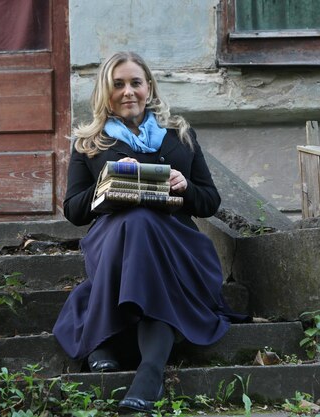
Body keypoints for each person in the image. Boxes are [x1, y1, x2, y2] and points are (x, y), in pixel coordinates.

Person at [53, 51, 250, 413]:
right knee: (137, 221)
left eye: (136, 83)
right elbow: (74, 210)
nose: (128, 92)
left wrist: (185, 185)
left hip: (176, 243)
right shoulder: (89, 142)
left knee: (144, 223)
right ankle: (150, 372)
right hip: (114, 244)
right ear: (105, 92)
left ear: (149, 88)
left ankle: (141, 364)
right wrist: (107, 184)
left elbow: (209, 202)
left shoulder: (180, 135)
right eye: (118, 84)